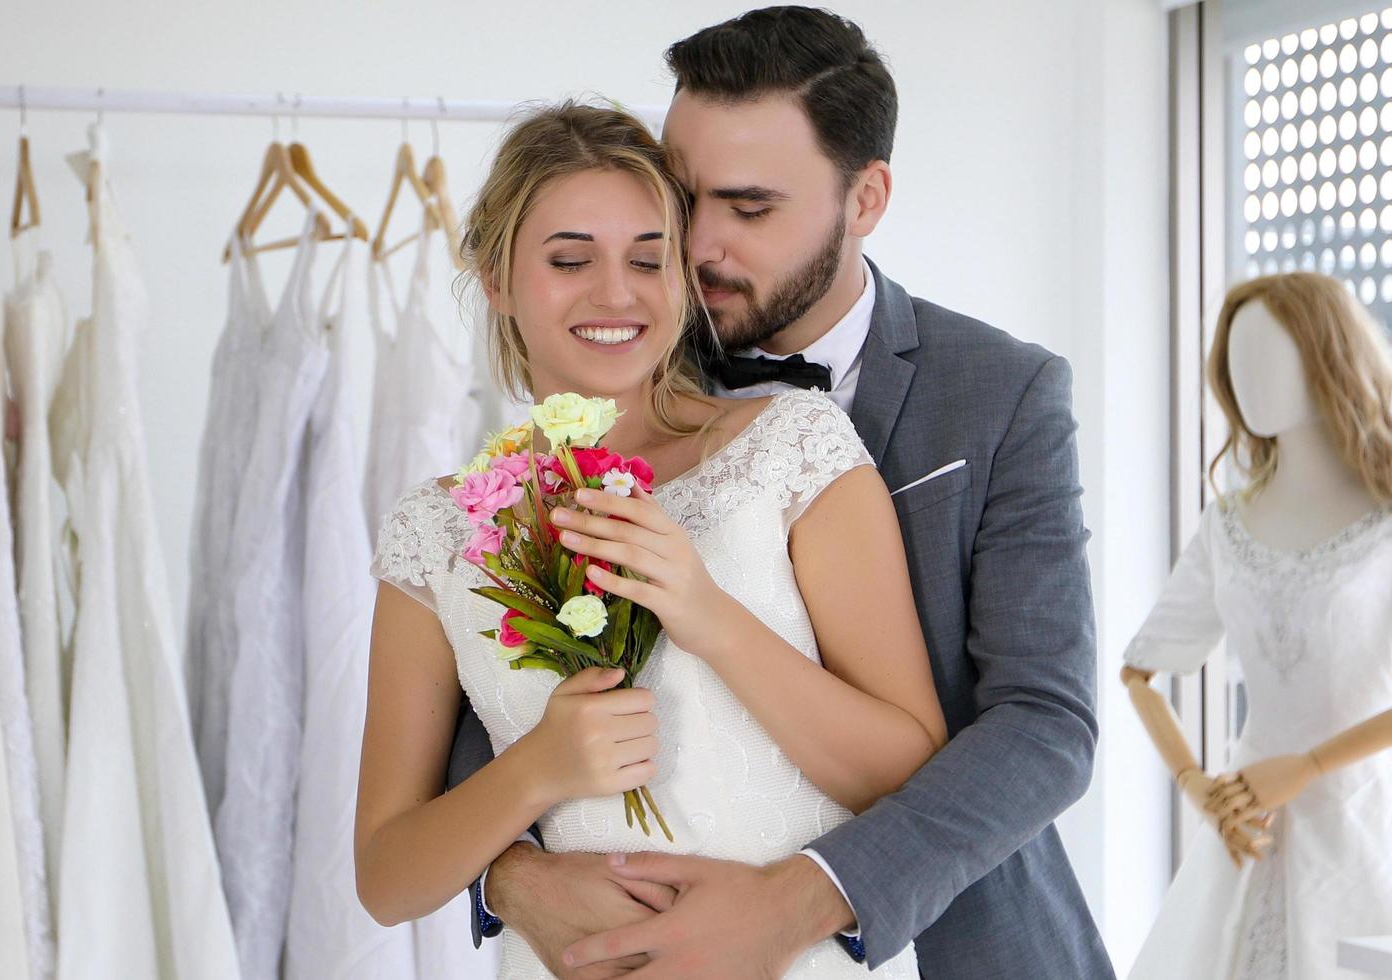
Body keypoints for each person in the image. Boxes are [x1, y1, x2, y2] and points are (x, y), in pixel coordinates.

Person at [458, 8, 1114, 978]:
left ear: (866, 198)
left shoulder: (1001, 390)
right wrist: (505, 874)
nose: (698, 245)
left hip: (964, 941)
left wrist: (804, 897)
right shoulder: (612, 370)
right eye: (684, 199)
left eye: (750, 207)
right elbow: (493, 681)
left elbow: (1045, 725)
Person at [356, 100, 945, 980]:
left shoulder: (792, 448)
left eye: (647, 257)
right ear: (494, 276)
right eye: (567, 259)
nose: (615, 294)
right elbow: (385, 878)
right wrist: (535, 772)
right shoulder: (439, 531)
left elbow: (910, 775)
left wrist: (704, 612)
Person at [1122, 272, 1392, 978]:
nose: (1246, 380)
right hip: (1244, 823)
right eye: (1234, 360)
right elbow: (1139, 671)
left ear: (1325, 356)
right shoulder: (1228, 525)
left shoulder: (1385, 519)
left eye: (1267, 356)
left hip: (1361, 823)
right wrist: (1196, 785)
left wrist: (1305, 767)